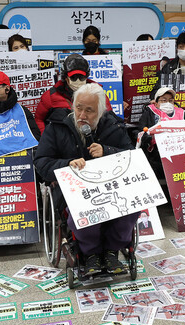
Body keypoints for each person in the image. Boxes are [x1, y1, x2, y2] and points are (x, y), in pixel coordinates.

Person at [34, 83, 135, 275]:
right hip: (73, 192)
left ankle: (112, 251)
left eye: (89, 111)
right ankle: (91, 253)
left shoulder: (113, 126)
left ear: (100, 111)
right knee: (84, 212)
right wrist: (67, 164)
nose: (82, 115)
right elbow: (41, 162)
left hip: (110, 188)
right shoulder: (56, 127)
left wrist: (108, 151)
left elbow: (132, 157)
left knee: (129, 209)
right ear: (73, 105)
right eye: (79, 108)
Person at [35, 54, 113, 134]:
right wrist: (47, 139)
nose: (78, 81)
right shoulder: (51, 96)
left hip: (91, 141)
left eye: (81, 77)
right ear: (66, 78)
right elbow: (38, 119)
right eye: (74, 77)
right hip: (61, 143)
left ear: (86, 77)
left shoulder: (98, 95)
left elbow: (109, 119)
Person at [137, 87, 185, 173]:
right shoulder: (150, 112)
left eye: (170, 101)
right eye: (163, 100)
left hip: (177, 147)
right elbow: (141, 130)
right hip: (156, 149)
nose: (167, 103)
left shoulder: (180, 113)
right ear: (156, 103)